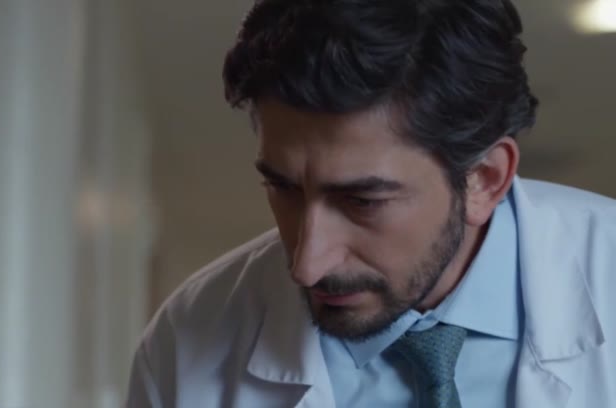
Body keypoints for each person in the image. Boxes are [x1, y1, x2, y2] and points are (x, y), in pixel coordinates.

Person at [127, 0, 616, 407]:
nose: (307, 264)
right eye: (284, 188)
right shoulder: (185, 341)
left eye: (362, 200)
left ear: (484, 180)